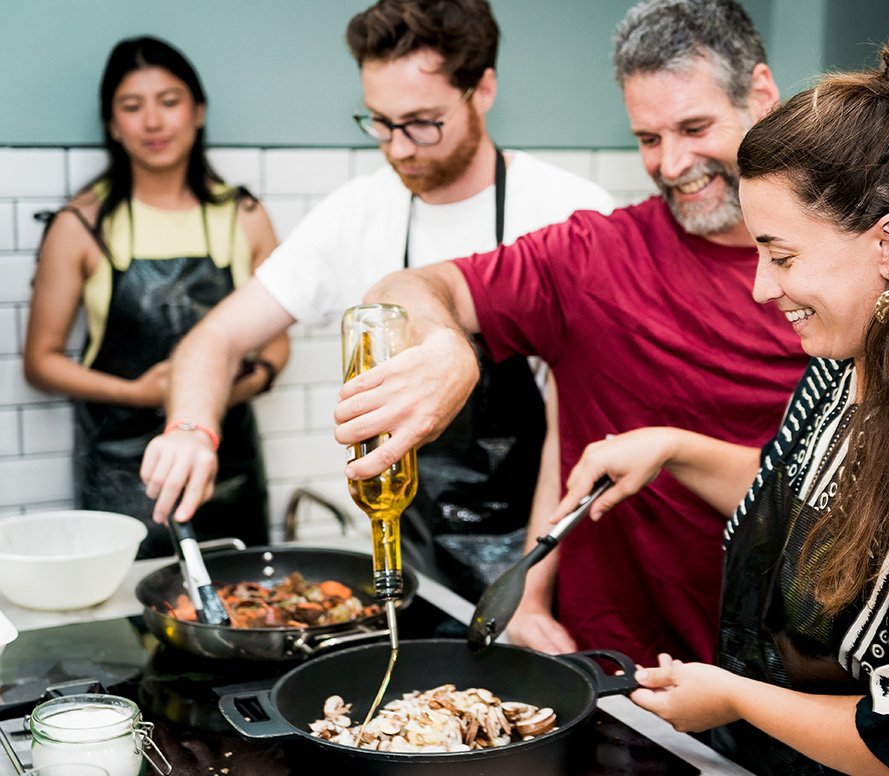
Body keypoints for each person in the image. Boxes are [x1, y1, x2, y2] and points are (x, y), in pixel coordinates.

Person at [551, 14, 889, 776]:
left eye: (782, 254)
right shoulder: (852, 361)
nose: (762, 286)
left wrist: (735, 698)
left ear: (888, 241)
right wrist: (672, 448)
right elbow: (802, 498)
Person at [335, 0, 809, 667]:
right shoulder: (597, 255)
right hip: (619, 671)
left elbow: (850, 496)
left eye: (694, 127)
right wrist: (446, 348)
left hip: (785, 673)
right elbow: (405, 288)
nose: (672, 164)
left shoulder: (833, 271)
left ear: (759, 95)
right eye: (647, 139)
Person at [138, 0, 615, 576]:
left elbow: (590, 420)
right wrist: (191, 428)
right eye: (379, 122)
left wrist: (529, 589)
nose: (399, 147)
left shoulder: (571, 211)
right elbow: (214, 339)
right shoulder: (354, 213)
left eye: (422, 122)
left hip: (553, 554)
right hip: (415, 563)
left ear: (483, 90)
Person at [24, 36, 287, 559]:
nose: (153, 122)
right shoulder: (82, 225)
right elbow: (42, 362)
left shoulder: (244, 216)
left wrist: (210, 400)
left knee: (245, 607)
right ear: (112, 124)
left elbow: (276, 350)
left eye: (169, 101)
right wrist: (140, 394)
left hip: (227, 466)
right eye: (131, 106)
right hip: (123, 472)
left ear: (198, 112)